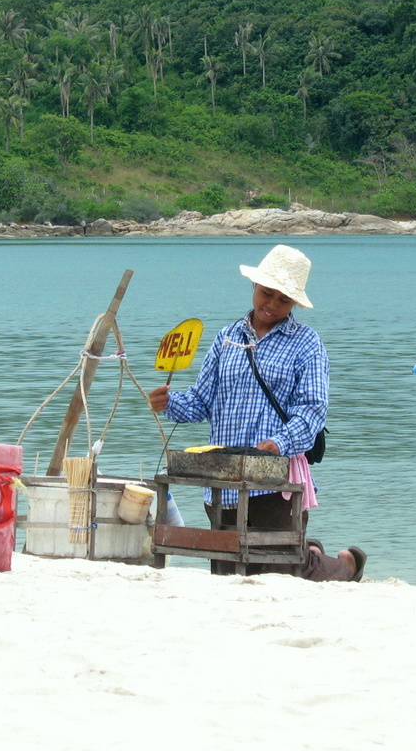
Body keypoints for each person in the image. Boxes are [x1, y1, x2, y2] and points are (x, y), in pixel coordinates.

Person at [148, 244, 365, 581]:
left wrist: (279, 442)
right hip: (224, 478)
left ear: (293, 304)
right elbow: (201, 401)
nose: (272, 306)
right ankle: (310, 551)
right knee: (228, 569)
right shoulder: (226, 338)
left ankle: (347, 565)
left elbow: (312, 412)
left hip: (275, 479)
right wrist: (169, 402)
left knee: (279, 571)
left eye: (283, 300)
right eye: (267, 294)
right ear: (254, 287)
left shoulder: (306, 343)